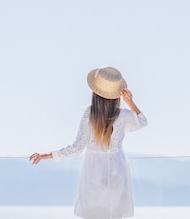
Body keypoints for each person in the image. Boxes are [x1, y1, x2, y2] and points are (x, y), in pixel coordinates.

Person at [30, 66, 148, 219]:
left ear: (96, 92)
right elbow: (142, 121)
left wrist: (46, 155)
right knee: (115, 213)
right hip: (117, 171)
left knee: (95, 213)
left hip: (93, 173)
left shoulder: (89, 114)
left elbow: (76, 148)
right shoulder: (123, 115)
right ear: (117, 93)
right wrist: (130, 102)